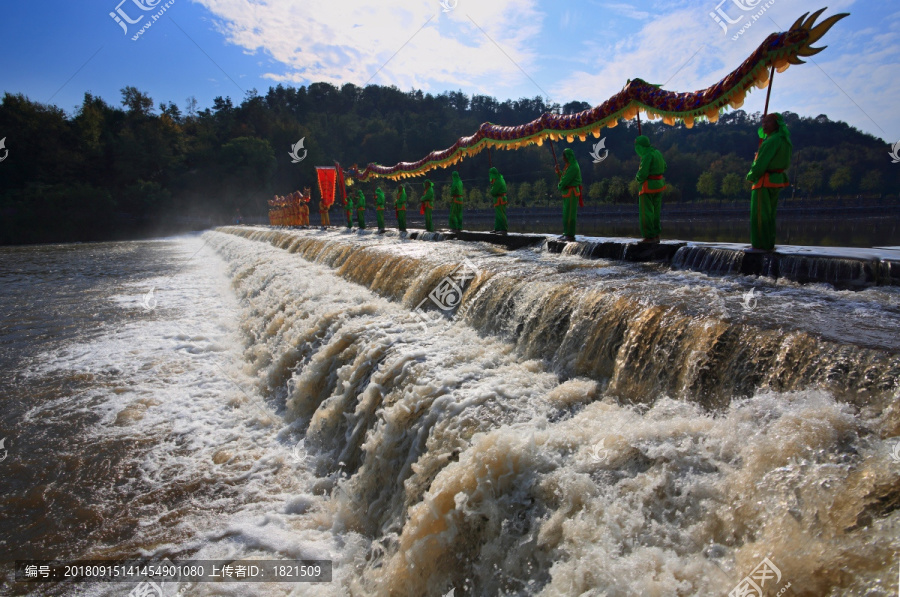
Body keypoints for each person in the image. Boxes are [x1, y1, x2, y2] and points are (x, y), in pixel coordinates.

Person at [746, 113, 792, 251]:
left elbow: (760, 164)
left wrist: (751, 176)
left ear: (777, 124)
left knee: (760, 215)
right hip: (775, 181)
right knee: (770, 214)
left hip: (764, 181)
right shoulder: (784, 140)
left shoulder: (771, 141)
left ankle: (760, 244)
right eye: (763, 122)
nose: (764, 125)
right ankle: (769, 242)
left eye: (768, 122)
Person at [634, 136, 667, 243]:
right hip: (659, 185)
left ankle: (649, 236)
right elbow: (665, 166)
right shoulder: (657, 153)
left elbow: (643, 173)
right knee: (656, 211)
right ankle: (656, 234)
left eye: (637, 146)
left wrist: (638, 178)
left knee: (646, 212)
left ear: (640, 146)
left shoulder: (647, 155)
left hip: (648, 187)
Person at [556, 148, 583, 241]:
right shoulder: (569, 166)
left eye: (564, 156)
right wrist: (558, 172)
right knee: (566, 213)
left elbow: (565, 180)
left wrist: (559, 186)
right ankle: (566, 233)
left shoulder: (573, 167)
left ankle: (570, 234)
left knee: (570, 214)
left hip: (572, 193)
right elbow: (563, 177)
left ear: (568, 156)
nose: (563, 158)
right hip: (567, 193)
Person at [489, 167, 508, 235]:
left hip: (500, 199)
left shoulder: (498, 181)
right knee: (498, 215)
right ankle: (497, 228)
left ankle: (503, 229)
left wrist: (492, 188)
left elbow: (493, 192)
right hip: (499, 199)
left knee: (501, 215)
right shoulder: (500, 179)